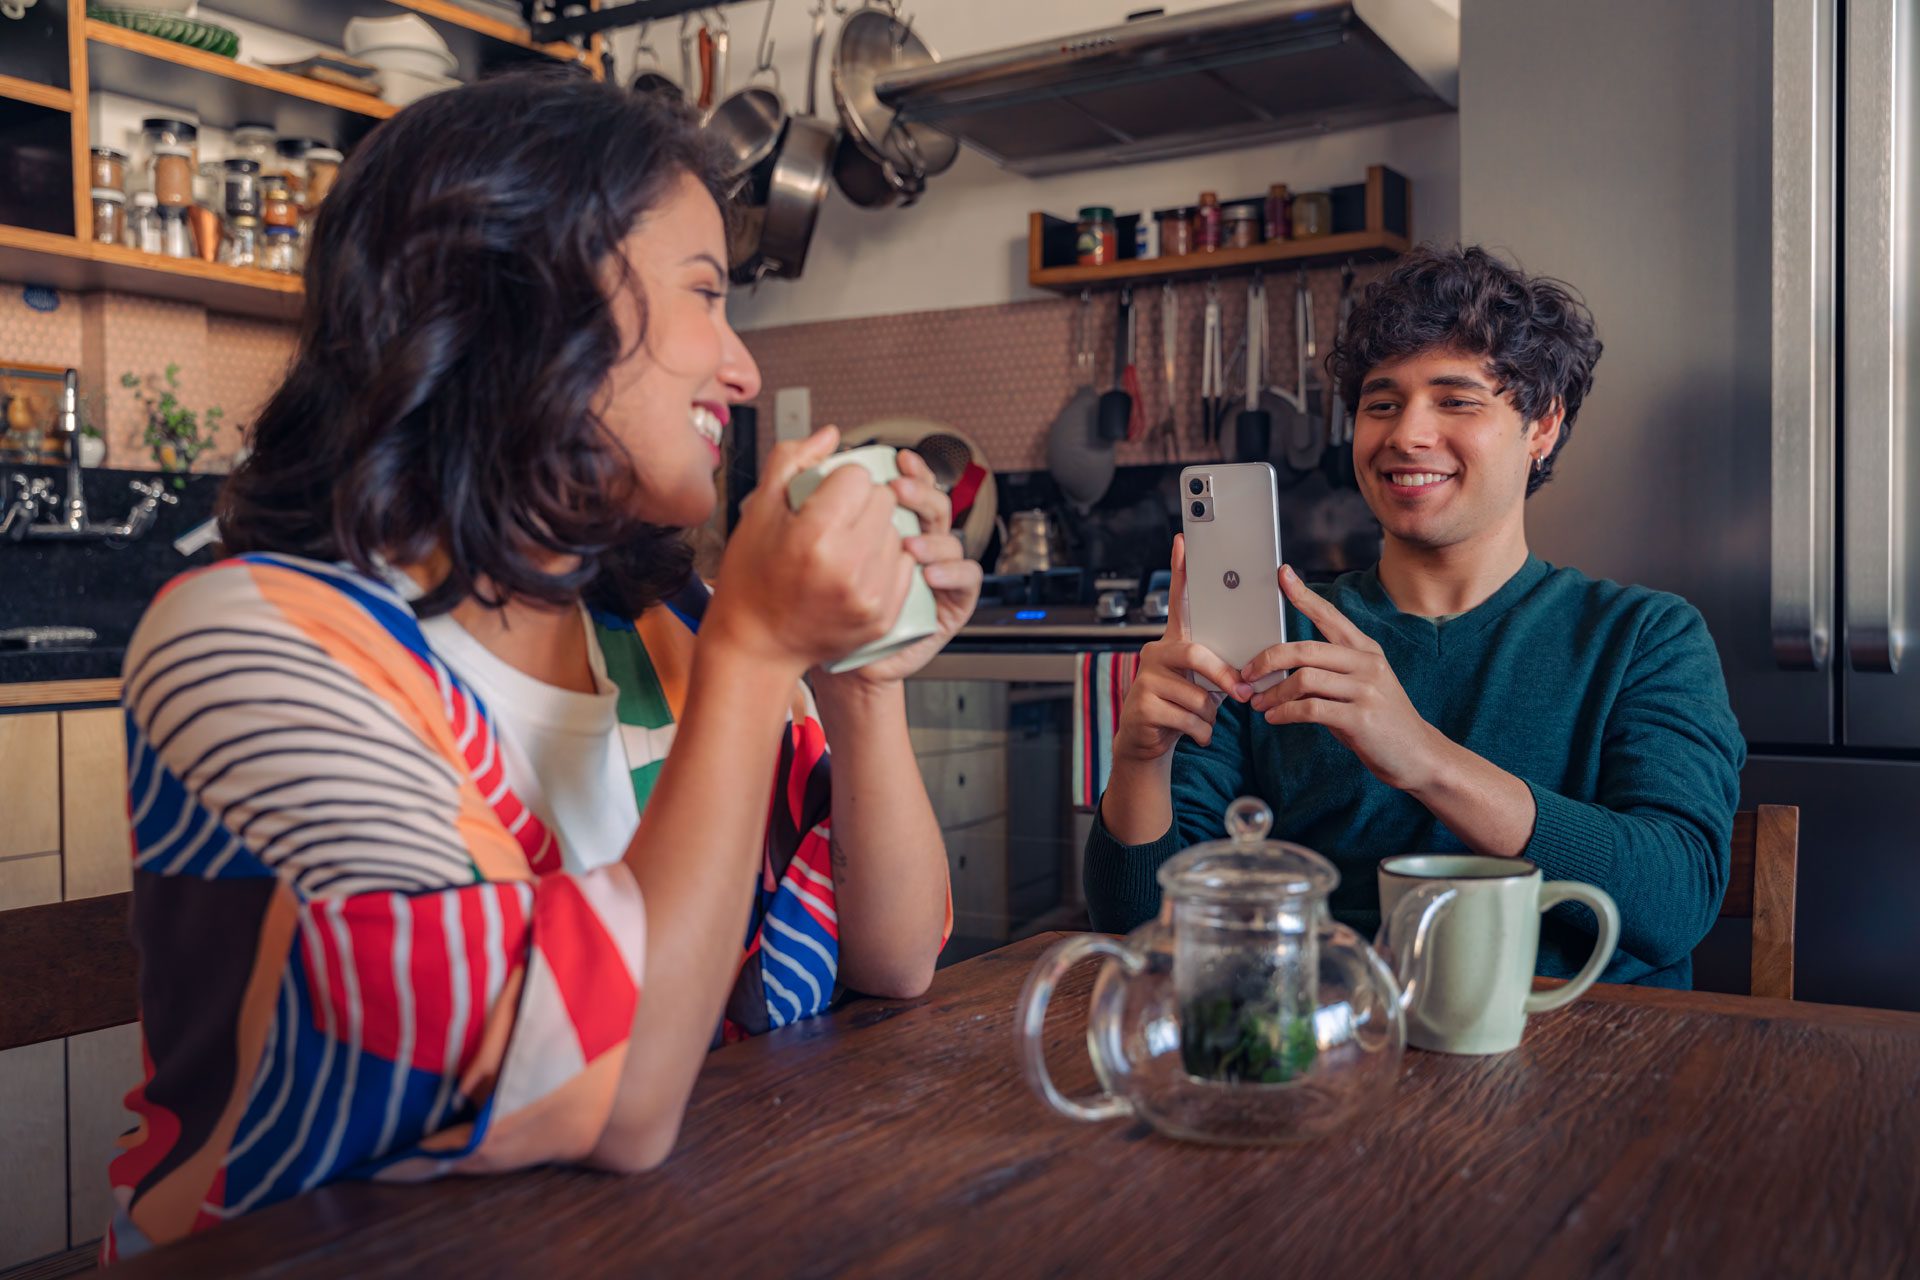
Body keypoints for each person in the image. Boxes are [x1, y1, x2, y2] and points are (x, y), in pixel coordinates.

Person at [104, 72, 978, 1260]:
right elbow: (605, 1088)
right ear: (522, 300)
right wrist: (760, 647)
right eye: (705, 297)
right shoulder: (247, 642)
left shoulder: (666, 627)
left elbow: (896, 954)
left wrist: (858, 677)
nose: (744, 370)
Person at [1088, 246, 1743, 989]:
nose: (1406, 435)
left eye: (1456, 400)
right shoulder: (1276, 639)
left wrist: (1422, 757)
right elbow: (1141, 932)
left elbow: (1678, 899)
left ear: (1542, 427)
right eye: (1382, 403)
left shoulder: (1644, 638)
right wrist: (1140, 763)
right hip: (1329, 1054)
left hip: (1590, 1067)